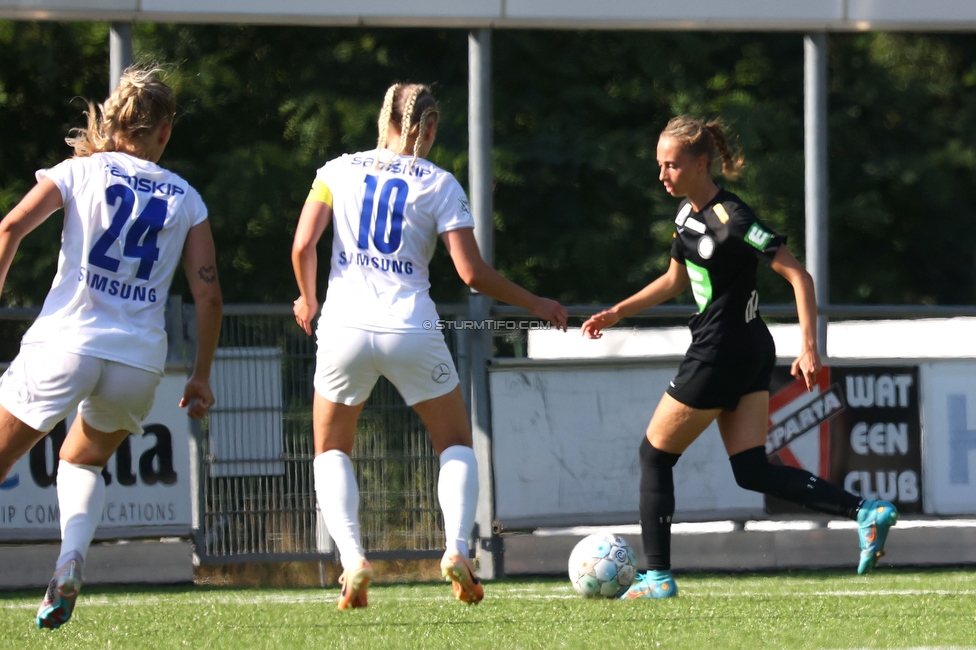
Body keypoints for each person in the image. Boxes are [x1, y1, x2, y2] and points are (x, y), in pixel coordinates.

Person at [581, 116, 898, 600]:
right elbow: (675, 279)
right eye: (660, 165)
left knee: (654, 455)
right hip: (747, 349)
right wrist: (619, 311)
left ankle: (659, 577)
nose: (662, 175)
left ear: (700, 163)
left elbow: (799, 277)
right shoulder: (687, 216)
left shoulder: (734, 219)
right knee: (751, 470)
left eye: (671, 165)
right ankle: (866, 512)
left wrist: (810, 347)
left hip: (721, 351)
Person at [292, 82, 568, 609]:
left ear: (383, 118)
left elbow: (304, 244)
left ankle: (353, 561)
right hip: (411, 327)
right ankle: (458, 550)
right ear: (431, 126)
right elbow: (471, 273)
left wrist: (308, 300)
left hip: (344, 327)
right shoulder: (440, 183)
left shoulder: (336, 170)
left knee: (330, 449)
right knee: (454, 444)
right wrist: (534, 302)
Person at [0, 67, 223, 628]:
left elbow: (9, 230)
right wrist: (199, 377)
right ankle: (71, 558)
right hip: (136, 360)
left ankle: (70, 562)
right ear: (165, 131)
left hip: (65, 343)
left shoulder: (80, 171)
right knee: (82, 459)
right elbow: (208, 294)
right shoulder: (187, 198)